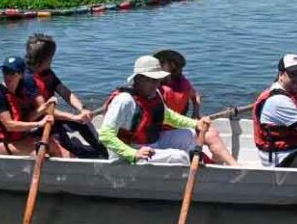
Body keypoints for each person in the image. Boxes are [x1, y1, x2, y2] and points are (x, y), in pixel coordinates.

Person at [99, 55, 237, 165]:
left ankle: (203, 166)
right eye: (151, 80)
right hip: (130, 151)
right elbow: (105, 135)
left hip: (153, 141)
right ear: (139, 79)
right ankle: (189, 171)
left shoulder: (154, 94)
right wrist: (132, 153)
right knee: (179, 156)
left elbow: (169, 116)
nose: (156, 84)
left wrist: (195, 124)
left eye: (157, 80)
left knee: (191, 135)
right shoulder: (124, 101)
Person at [23, 33, 107, 158]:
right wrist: (73, 117)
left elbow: (65, 92)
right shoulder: (27, 78)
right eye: (51, 57)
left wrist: (82, 109)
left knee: (83, 123)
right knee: (71, 148)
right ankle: (80, 155)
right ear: (43, 58)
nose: (52, 59)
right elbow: (44, 110)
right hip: (37, 124)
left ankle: (101, 153)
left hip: (53, 118)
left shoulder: (46, 71)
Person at [0, 56, 70, 157]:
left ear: (21, 75)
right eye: (5, 71)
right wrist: (39, 123)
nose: (7, 76)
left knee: (53, 141)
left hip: (12, 140)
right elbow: (10, 125)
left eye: (12, 73)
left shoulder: (18, 94)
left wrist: (43, 108)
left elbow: (25, 119)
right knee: (49, 146)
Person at [154, 49, 201, 119]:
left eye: (162, 63)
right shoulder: (152, 84)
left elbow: (195, 95)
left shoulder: (181, 82)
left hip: (178, 123)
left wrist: (195, 114)